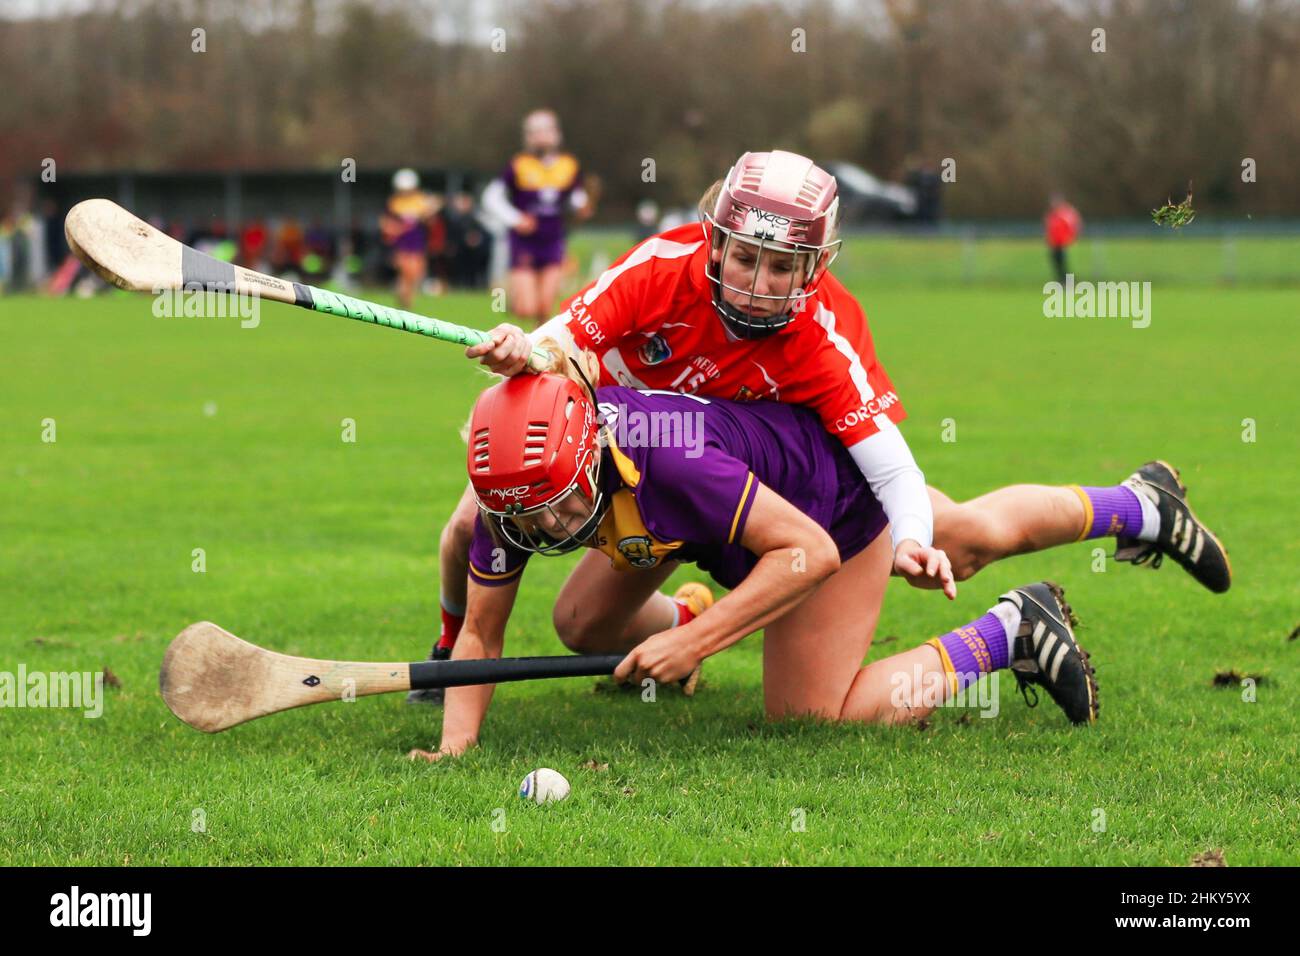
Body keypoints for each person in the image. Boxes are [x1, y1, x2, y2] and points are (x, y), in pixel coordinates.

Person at [409, 150, 1229, 702]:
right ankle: (473, 659)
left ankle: (1138, 512)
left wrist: (909, 537)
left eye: (782, 265)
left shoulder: (824, 332)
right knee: (575, 617)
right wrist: (528, 347)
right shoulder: (659, 269)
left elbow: (893, 469)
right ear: (716, 238)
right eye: (744, 256)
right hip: (669, 476)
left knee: (963, 537)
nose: (759, 281)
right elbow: (564, 343)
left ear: (814, 266)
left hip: (803, 494)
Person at [407, 368, 1098, 761]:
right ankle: (1139, 503)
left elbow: (808, 554)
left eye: (560, 507)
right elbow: (482, 637)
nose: (546, 529)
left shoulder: (667, 457)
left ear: (591, 453)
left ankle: (1011, 631)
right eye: (528, 517)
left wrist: (692, 642)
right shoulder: (516, 497)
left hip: (829, 514)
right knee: (582, 620)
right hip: (726, 524)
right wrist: (454, 749)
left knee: (813, 710)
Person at [481, 110, 593, 326]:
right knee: (526, 309)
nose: (541, 136)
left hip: (553, 240)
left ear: (556, 134)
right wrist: (515, 219)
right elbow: (491, 197)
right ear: (528, 137)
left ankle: (536, 357)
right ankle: (515, 298)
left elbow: (575, 197)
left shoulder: (569, 165)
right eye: (535, 132)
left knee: (544, 308)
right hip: (524, 242)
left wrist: (582, 207)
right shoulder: (519, 164)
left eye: (546, 131)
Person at [380, 168, 439, 309]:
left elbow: (431, 222)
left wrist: (428, 213)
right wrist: (395, 230)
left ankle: (407, 301)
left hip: (417, 244)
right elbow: (386, 224)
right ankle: (404, 301)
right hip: (401, 245)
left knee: (416, 274)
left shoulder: (421, 201)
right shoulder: (394, 203)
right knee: (405, 273)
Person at [1045, 193, 1082, 283]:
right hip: (1054, 243)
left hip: (1063, 243)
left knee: (1064, 264)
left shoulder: (1066, 213)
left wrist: (1071, 238)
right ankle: (1061, 281)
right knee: (1057, 264)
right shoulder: (1053, 214)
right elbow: (1049, 228)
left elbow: (1074, 226)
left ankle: (1069, 282)